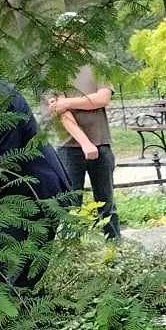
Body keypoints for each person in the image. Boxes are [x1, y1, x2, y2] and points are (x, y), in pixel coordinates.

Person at [45, 47, 121, 240]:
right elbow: (61, 113)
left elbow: (103, 98)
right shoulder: (53, 67)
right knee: (71, 205)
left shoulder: (98, 60)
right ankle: (74, 251)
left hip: (101, 143)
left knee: (107, 203)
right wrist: (85, 143)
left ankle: (114, 248)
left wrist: (67, 102)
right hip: (68, 147)